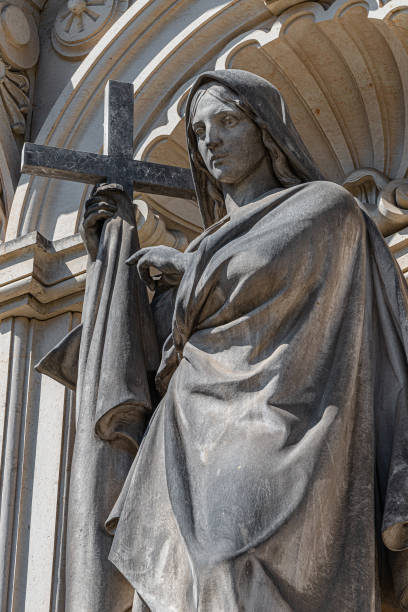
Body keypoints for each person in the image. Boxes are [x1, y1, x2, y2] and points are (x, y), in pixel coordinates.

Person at [81, 70, 408, 611]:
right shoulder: (205, 247)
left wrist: (186, 269)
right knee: (184, 577)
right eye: (199, 130)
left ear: (265, 131)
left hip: (285, 422)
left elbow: (266, 275)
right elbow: (157, 359)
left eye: (228, 122)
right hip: (188, 426)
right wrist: (112, 265)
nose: (211, 140)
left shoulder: (324, 208)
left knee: (228, 559)